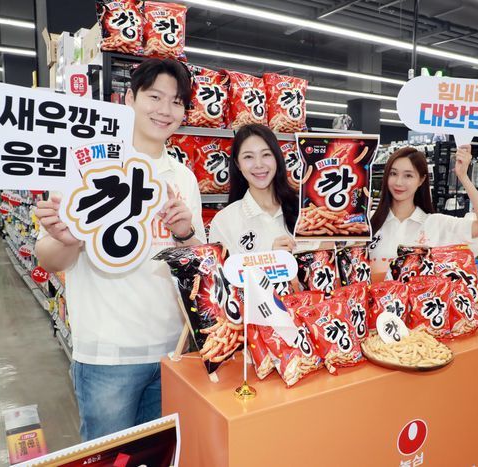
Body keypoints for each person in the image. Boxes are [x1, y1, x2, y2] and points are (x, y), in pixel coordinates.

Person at [34, 58, 206, 441]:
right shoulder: (88, 163)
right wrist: (69, 239)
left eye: (176, 101)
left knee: (159, 455)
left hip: (173, 351)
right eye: (154, 97)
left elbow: (198, 263)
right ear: (129, 98)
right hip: (108, 355)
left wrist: (185, 233)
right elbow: (47, 257)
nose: (165, 110)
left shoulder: (183, 178)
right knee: (111, 459)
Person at [369, 144, 478, 279]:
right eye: (393, 174)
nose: (399, 182)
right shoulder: (370, 222)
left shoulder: (436, 224)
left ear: (421, 180)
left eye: (408, 175)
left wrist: (463, 176)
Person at [208, 124, 309, 254]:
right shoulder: (224, 221)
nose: (259, 164)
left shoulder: (305, 212)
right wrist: (272, 258)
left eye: (266, 154)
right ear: (238, 164)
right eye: (248, 157)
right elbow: (220, 267)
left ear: (277, 158)